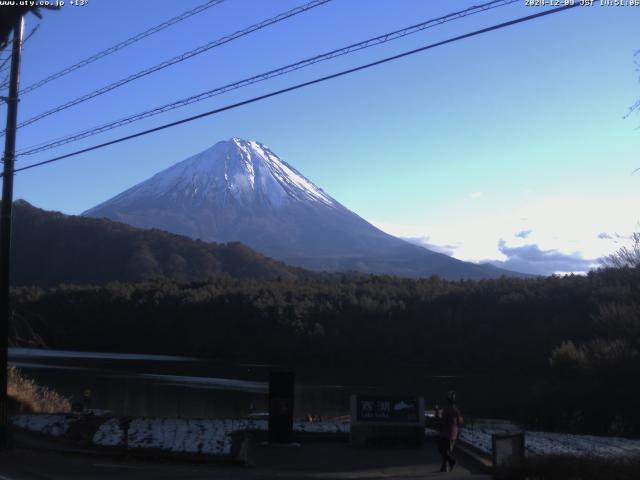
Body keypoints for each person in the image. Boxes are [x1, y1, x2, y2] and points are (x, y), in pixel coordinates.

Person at [438, 390, 462, 472]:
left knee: (441, 449)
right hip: (453, 432)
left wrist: (438, 417)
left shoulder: (447, 409)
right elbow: (459, 421)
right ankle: (444, 467)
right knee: (446, 450)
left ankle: (451, 461)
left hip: (446, 432)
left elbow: (443, 420)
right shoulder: (456, 409)